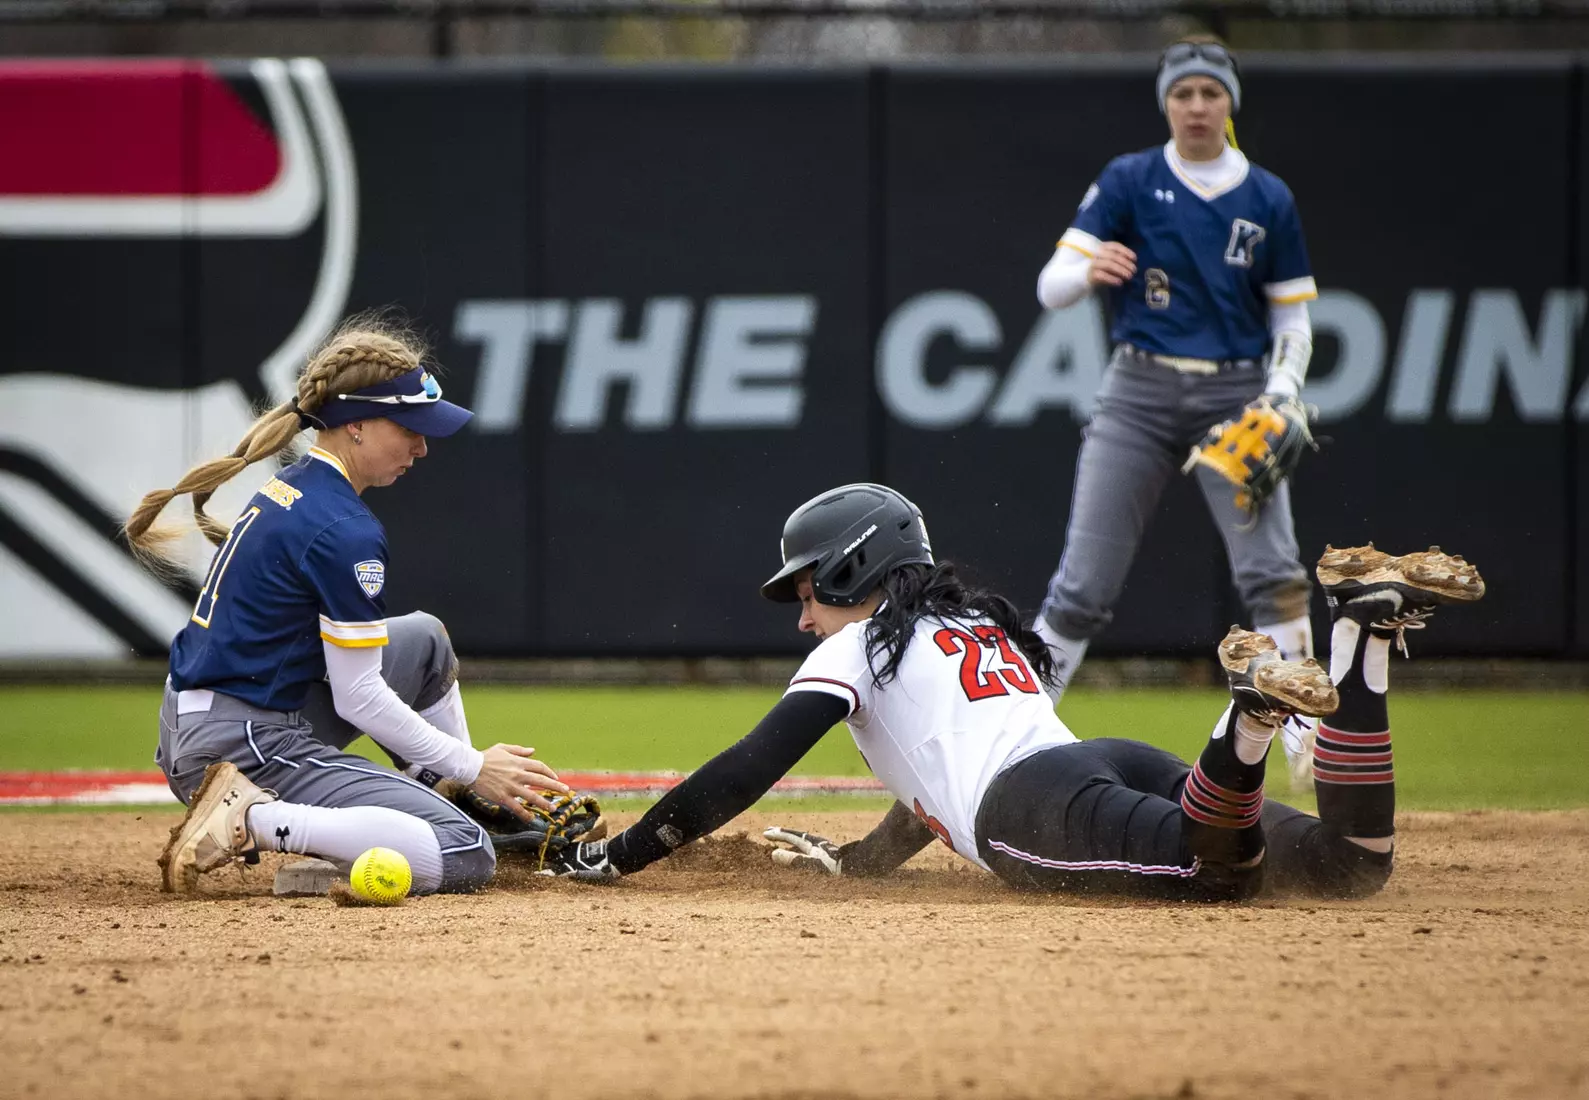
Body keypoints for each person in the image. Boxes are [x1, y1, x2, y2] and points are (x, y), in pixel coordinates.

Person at [545, 483, 1483, 902]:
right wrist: (864, 868)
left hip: (1033, 810)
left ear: (846, 571)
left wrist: (617, 857)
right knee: (1346, 867)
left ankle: (1245, 717)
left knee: (1215, 873)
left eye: (804, 592)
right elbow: (926, 794)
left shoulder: (855, 647)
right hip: (1106, 762)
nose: (799, 618)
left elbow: (747, 768)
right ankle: (1360, 638)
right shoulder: (967, 622)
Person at [127, 317, 569, 895]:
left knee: (424, 641)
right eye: (409, 426)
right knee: (466, 854)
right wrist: (475, 764)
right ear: (355, 424)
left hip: (200, 720)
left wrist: (459, 773)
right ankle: (251, 819)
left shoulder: (297, 484)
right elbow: (359, 696)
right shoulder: (343, 528)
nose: (422, 446)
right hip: (240, 746)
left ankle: (446, 800)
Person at [1031, 37, 1323, 787]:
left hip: (1234, 395)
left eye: (1210, 93)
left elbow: (1291, 320)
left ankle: (1307, 755)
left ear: (1230, 103)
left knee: (1273, 574)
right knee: (1081, 586)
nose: (1196, 106)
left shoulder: (1267, 197)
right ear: (1166, 102)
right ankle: (1016, 729)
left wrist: (1283, 389)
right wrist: (1087, 267)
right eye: (1183, 93)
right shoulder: (1130, 179)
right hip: (1138, 391)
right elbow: (1050, 286)